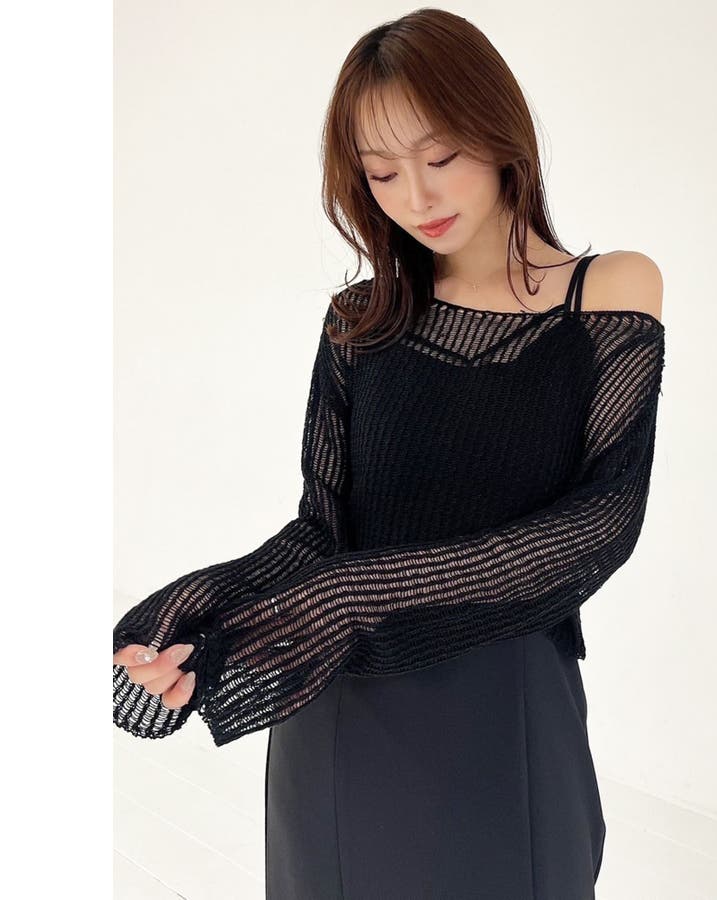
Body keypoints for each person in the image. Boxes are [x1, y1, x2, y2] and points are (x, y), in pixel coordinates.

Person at [112, 8, 665, 898]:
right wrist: (195, 611)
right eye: (381, 173)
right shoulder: (360, 319)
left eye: (440, 156)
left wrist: (355, 594)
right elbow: (321, 529)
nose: (417, 196)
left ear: (500, 132)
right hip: (336, 703)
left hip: (504, 694)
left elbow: (602, 521)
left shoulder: (609, 291)